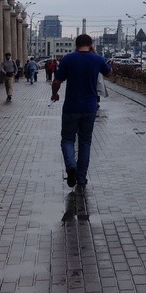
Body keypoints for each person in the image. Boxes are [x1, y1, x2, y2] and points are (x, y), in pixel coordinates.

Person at [51, 34, 111, 188]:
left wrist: (54, 94)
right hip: (90, 108)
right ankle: (81, 177)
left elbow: (57, 81)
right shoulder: (97, 59)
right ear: (91, 45)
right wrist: (95, 54)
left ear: (76, 45)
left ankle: (71, 165)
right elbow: (108, 73)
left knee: (67, 140)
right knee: (85, 142)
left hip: (71, 107)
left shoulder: (68, 59)